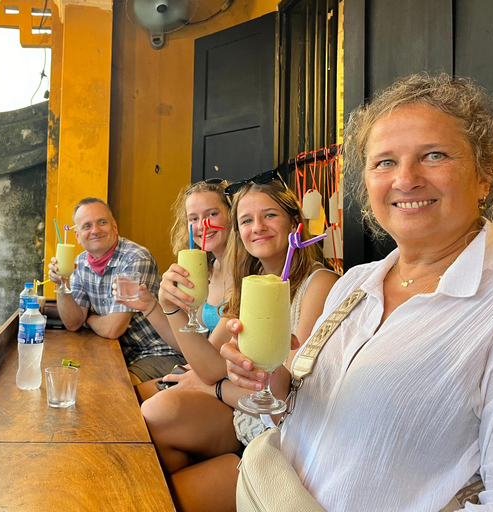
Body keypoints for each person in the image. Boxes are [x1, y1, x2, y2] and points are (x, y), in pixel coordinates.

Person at [222, 73, 493, 510]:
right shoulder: (355, 283)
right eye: (384, 162)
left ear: (485, 176)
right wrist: (270, 377)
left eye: (434, 155)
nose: (406, 179)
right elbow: (306, 414)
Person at [141, 178, 338, 512]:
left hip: (282, 436)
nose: (257, 227)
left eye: (270, 216)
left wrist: (213, 390)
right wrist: (171, 306)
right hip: (243, 414)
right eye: (246, 220)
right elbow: (209, 366)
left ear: (294, 224)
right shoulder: (253, 283)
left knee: (159, 494)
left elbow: (289, 400)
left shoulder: (320, 284)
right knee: (154, 422)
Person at [114, 179, 234, 399]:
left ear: (232, 215)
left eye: (212, 214)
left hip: (224, 385)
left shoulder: (243, 273)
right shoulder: (209, 269)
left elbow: (208, 358)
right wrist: (149, 305)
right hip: (203, 371)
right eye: (193, 219)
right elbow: (187, 342)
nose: (201, 226)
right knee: (124, 398)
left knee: (134, 402)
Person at [48, 197, 186, 384]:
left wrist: (88, 318)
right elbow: (73, 323)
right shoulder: (79, 263)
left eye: (102, 222)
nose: (95, 230)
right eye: (87, 226)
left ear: (114, 227)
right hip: (121, 352)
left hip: (158, 352)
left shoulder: (135, 257)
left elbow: (114, 328)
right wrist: (61, 285)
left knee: (115, 391)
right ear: (78, 236)